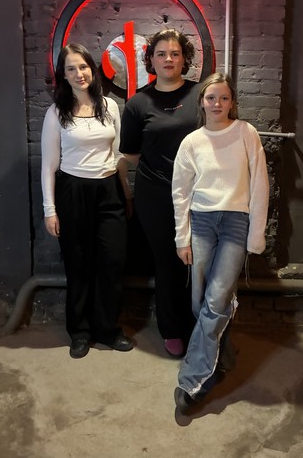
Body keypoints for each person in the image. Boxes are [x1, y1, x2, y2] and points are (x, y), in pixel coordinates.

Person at [172, 72, 269, 414]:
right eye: (211, 98)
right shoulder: (192, 142)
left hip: (234, 223)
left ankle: (193, 381)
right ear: (202, 102)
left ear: (232, 102)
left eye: (224, 98)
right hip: (200, 222)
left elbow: (260, 184)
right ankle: (222, 356)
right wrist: (181, 237)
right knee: (201, 301)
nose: (217, 104)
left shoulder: (246, 133)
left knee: (215, 300)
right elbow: (180, 192)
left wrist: (256, 234)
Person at [41, 43, 134, 359]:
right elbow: (49, 166)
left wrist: (126, 193)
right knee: (78, 264)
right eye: (71, 68)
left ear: (92, 69)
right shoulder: (57, 113)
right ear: (64, 75)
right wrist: (50, 210)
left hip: (109, 190)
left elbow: (118, 155)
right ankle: (79, 332)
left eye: (83, 66)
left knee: (112, 262)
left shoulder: (110, 107)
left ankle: (108, 329)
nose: (78, 73)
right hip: (73, 192)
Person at [120, 28, 201, 357]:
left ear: (184, 59)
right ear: (151, 60)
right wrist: (165, 172)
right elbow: (131, 153)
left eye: (175, 54)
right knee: (168, 262)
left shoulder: (202, 94)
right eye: (162, 54)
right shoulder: (138, 103)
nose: (169, 59)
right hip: (156, 195)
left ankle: (201, 327)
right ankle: (172, 329)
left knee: (201, 260)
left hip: (201, 192)